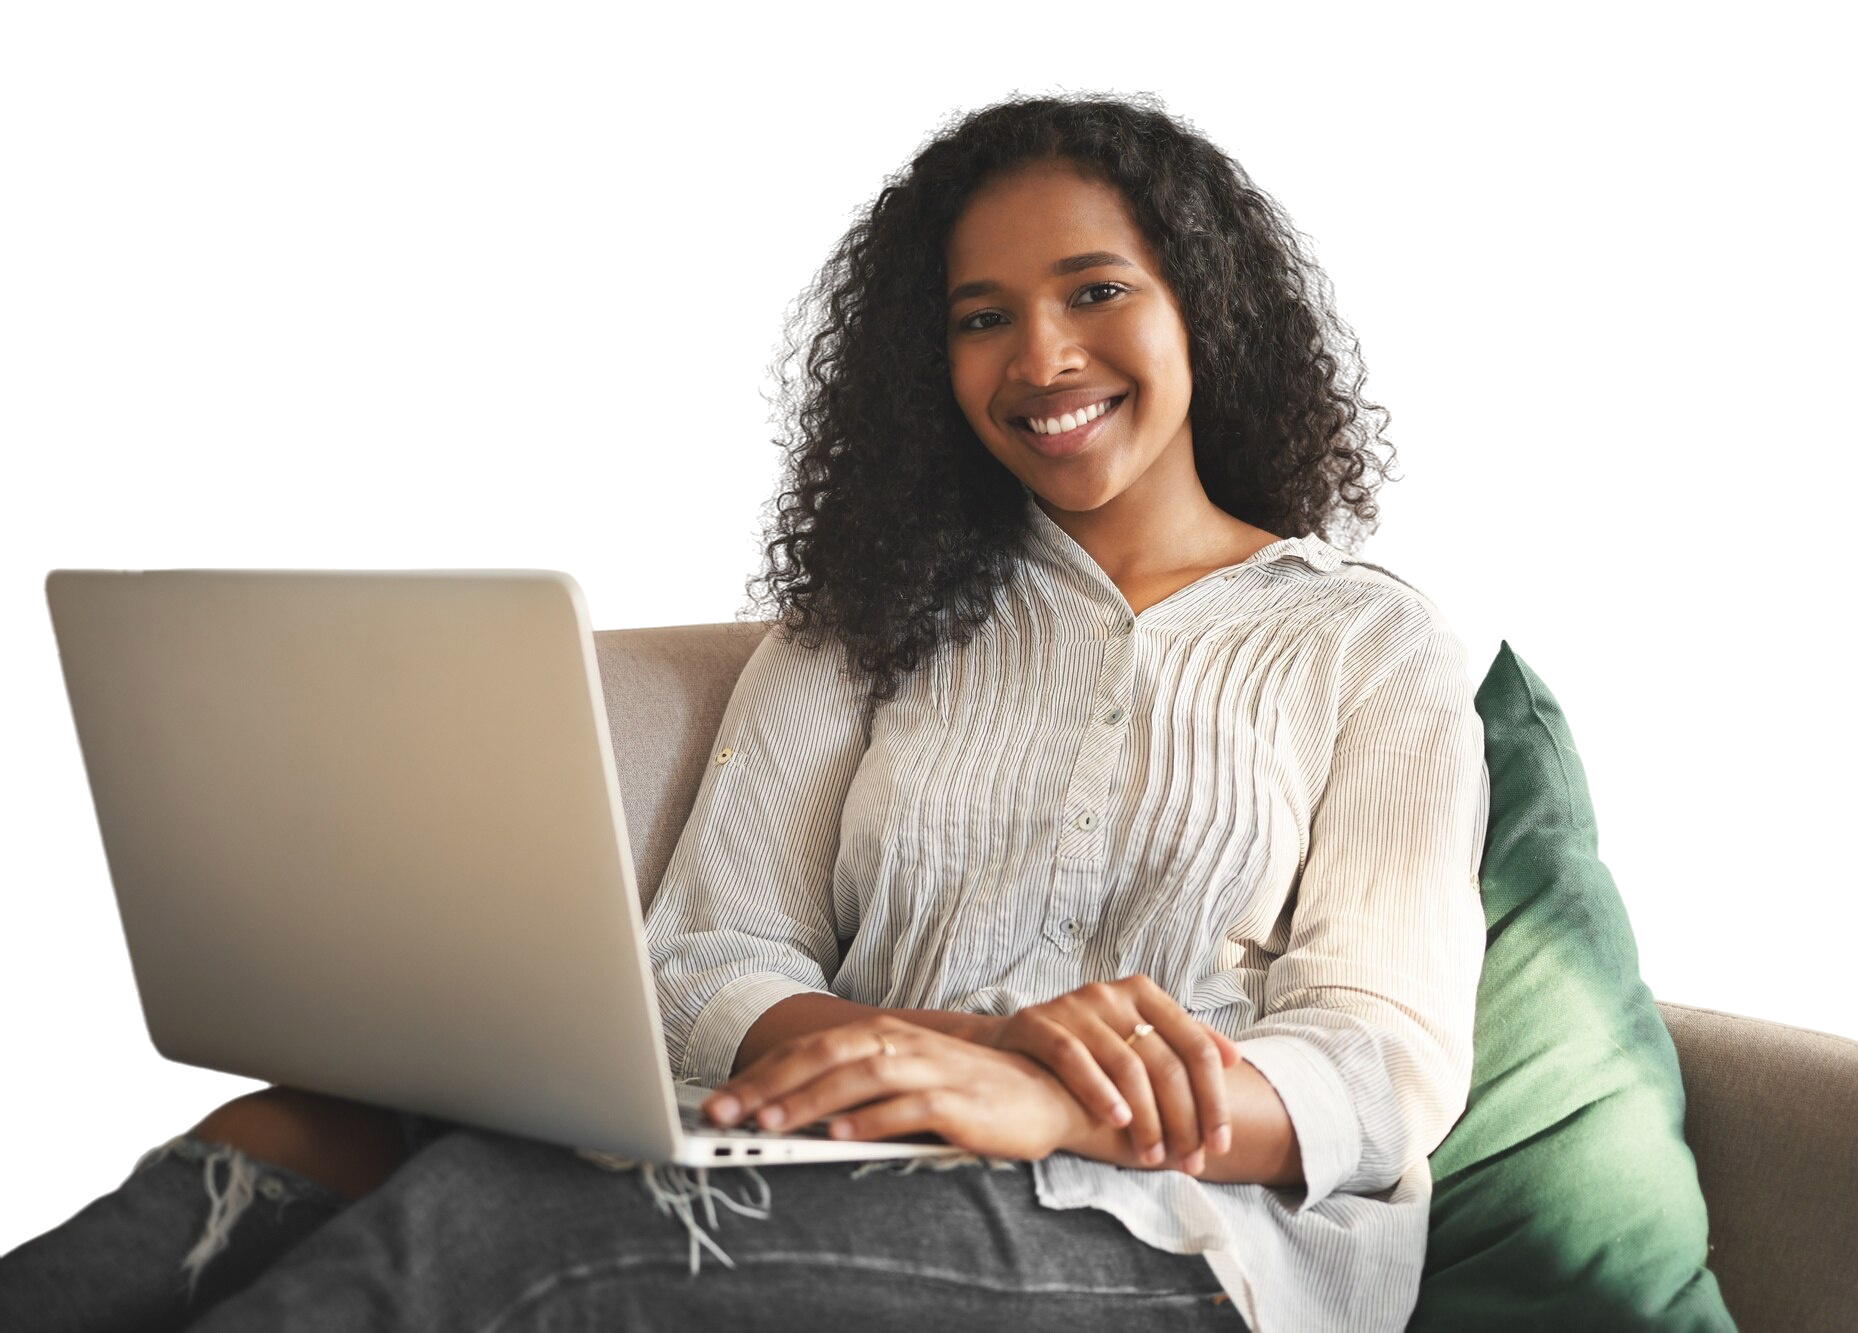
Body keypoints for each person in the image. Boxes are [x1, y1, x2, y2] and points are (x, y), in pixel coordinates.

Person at [0, 95, 1488, 1333]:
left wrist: (1044, 1097)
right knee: (294, 1135)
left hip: (1184, 1242)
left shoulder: (1371, 642)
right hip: (833, 1154)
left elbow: (1382, 1063)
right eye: (984, 317)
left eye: (1096, 290)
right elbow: (708, 950)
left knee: (494, 1226)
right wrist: (905, 1056)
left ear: (1201, 306)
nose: (1041, 360)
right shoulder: (872, 616)